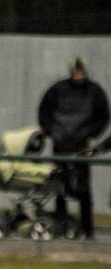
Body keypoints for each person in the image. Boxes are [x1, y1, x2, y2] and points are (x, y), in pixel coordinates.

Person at [38, 57, 109, 239]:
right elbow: (44, 112)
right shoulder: (58, 89)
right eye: (76, 73)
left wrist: (91, 134)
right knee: (60, 188)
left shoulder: (94, 91)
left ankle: (88, 229)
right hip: (60, 144)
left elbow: (103, 115)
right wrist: (52, 132)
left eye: (81, 73)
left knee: (83, 188)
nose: (79, 76)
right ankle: (61, 227)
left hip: (80, 145)